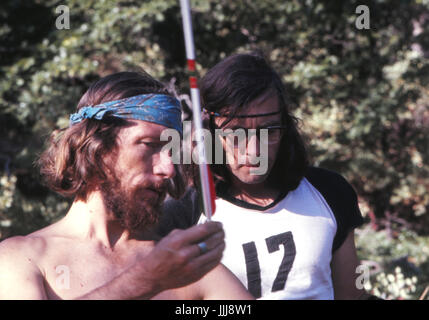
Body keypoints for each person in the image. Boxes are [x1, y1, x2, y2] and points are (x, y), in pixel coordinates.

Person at [0, 71, 253, 300]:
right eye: (150, 145)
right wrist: (146, 280)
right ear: (98, 148)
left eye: (172, 151)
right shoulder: (22, 259)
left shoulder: (184, 265)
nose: (168, 169)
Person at [158, 53, 375, 300]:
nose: (254, 151)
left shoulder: (329, 192)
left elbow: (352, 296)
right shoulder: (183, 215)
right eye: (235, 133)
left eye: (269, 131)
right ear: (210, 133)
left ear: (286, 128)